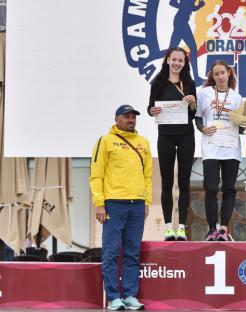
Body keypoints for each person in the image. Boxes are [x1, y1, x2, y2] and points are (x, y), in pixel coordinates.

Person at [90, 105, 152, 310]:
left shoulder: (143, 143)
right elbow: (96, 174)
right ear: (117, 119)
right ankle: (113, 298)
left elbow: (148, 176)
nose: (131, 120)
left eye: (133, 117)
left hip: (137, 204)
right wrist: (99, 203)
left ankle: (130, 296)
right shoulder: (105, 141)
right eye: (126, 116)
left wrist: (147, 202)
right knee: (111, 251)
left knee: (133, 252)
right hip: (114, 204)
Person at [148, 47, 197, 241]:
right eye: (174, 59)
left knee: (184, 183)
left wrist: (193, 102)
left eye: (181, 61)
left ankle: (182, 227)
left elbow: (194, 113)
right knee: (167, 182)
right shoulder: (158, 82)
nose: (177, 63)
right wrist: (152, 111)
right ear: (167, 60)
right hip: (165, 136)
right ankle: (168, 227)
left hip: (186, 136)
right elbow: (150, 106)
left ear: (185, 64)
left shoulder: (190, 83)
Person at [195, 60, 242, 241]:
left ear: (229, 73)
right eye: (216, 74)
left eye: (223, 72)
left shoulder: (237, 98)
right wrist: (202, 128)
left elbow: (240, 125)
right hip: (212, 148)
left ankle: (223, 229)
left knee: (229, 189)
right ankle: (211, 228)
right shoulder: (205, 94)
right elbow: (198, 118)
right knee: (211, 188)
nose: (220, 76)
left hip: (231, 148)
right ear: (212, 77)